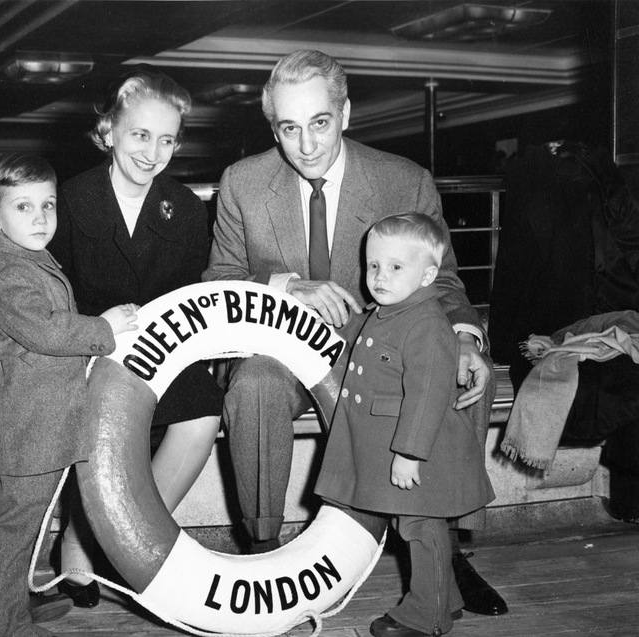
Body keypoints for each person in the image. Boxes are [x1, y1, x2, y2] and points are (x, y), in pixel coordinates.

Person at [202, 49, 507, 616]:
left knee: (455, 367)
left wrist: (466, 338)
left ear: (345, 114)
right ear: (274, 128)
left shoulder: (403, 180)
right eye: (289, 129)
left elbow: (445, 286)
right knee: (255, 385)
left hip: (386, 346)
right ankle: (263, 546)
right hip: (284, 349)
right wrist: (286, 286)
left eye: (320, 123)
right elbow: (219, 278)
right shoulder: (242, 183)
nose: (307, 145)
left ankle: (444, 550)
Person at [48, 66, 223, 607]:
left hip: (163, 354)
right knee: (99, 428)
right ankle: (78, 548)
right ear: (109, 133)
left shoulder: (189, 208)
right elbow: (52, 297)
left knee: (202, 414)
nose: (153, 152)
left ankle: (123, 537)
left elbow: (192, 294)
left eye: (167, 139)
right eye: (140, 135)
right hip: (89, 355)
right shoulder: (69, 201)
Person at [0, 153, 139, 637]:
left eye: (48, 205)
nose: (40, 218)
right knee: (13, 536)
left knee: (21, 533)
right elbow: (48, 332)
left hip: (32, 429)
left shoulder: (28, 259)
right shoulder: (9, 271)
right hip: (19, 433)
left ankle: (11, 617)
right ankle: (8, 628)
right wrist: (104, 328)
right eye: (24, 207)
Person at [315, 214, 496, 637]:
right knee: (412, 525)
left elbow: (428, 394)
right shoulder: (390, 310)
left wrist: (410, 454)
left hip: (422, 451)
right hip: (395, 446)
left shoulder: (429, 324)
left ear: (428, 274)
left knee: (420, 528)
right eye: (373, 265)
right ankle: (446, 600)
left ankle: (425, 616)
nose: (379, 276)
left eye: (396, 268)